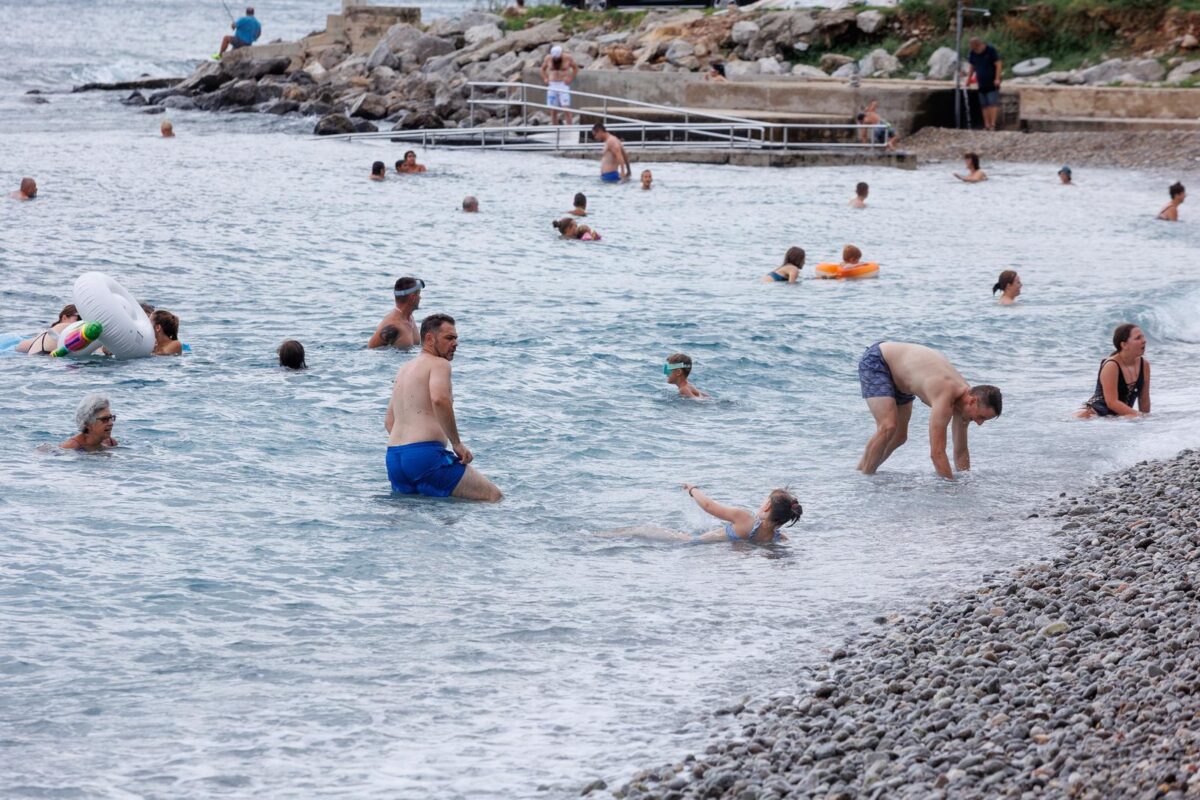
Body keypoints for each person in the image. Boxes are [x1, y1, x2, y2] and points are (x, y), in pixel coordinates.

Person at [384, 313, 502, 501]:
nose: (455, 343)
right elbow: (439, 399)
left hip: (395, 459)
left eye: (456, 338)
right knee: (493, 496)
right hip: (425, 456)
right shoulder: (439, 364)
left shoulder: (404, 369)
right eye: (449, 338)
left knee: (419, 520)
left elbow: (389, 421)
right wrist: (456, 443)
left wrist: (410, 453)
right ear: (430, 339)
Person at [856, 342, 1002, 480]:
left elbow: (960, 451)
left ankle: (863, 470)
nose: (979, 423)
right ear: (972, 401)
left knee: (900, 436)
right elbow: (937, 453)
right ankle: (865, 479)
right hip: (880, 361)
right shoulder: (946, 394)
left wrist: (964, 484)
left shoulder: (965, 405)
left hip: (902, 378)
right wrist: (950, 490)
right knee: (888, 426)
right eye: (981, 417)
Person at [602, 485, 802, 544]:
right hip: (715, 548)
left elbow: (708, 506)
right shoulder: (778, 537)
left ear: (766, 506)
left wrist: (692, 490)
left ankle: (601, 536)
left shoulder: (744, 519)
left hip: (690, 542)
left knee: (641, 529)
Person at [1077, 323, 1150, 418]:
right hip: (1093, 415)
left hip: (1116, 419)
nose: (1144, 341)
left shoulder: (1144, 365)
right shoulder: (1112, 365)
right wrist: (1137, 415)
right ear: (1124, 345)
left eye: (1143, 337)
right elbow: (1112, 402)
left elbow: (1144, 399)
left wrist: (1147, 420)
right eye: (1138, 338)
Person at [369, 277, 423, 349]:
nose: (420, 298)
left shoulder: (410, 318)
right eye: (419, 294)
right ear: (413, 298)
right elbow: (370, 349)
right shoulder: (393, 325)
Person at [966, 37, 1003, 131]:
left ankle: (993, 125)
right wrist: (969, 79)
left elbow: (998, 64)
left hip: (991, 81)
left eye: (973, 47)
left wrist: (997, 78)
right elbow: (972, 66)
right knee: (984, 104)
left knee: (992, 103)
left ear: (978, 44)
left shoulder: (990, 50)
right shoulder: (973, 53)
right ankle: (986, 125)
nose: (972, 49)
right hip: (981, 82)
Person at [540, 45, 579, 126]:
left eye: (558, 57)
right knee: (553, 109)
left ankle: (570, 127)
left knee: (566, 108)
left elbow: (575, 68)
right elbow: (542, 69)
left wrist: (570, 78)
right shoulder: (548, 58)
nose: (556, 59)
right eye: (555, 58)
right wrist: (545, 78)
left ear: (561, 54)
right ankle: (555, 128)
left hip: (563, 84)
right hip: (552, 84)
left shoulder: (568, 58)